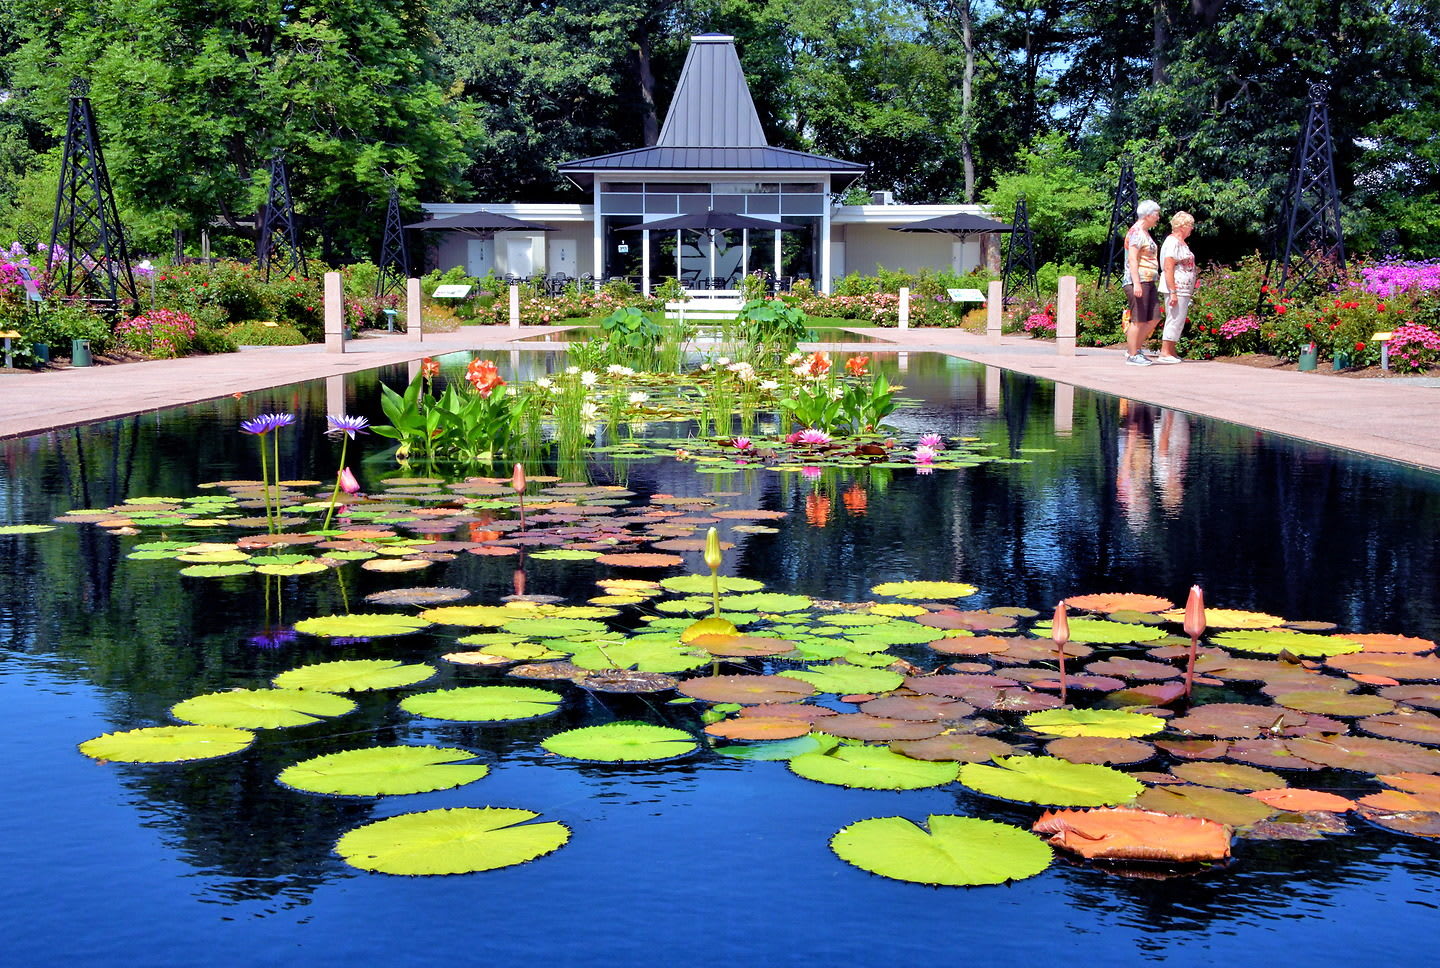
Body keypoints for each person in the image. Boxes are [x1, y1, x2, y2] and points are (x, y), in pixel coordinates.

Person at [1123, 200, 1162, 366]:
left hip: (1149, 280)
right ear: (1147, 215)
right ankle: (1132, 355)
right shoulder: (1136, 232)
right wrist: (1136, 283)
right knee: (1138, 320)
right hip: (1138, 281)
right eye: (1156, 214)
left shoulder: (1145, 232)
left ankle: (1135, 349)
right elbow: (1132, 259)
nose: (1158, 218)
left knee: (1154, 318)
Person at [1156, 211, 1197, 363]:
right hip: (1176, 287)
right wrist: (1173, 291)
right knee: (1174, 318)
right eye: (1190, 225)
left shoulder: (1181, 242)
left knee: (1178, 319)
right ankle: (1165, 352)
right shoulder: (1172, 242)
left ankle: (1171, 351)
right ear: (1182, 226)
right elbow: (1168, 267)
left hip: (1183, 288)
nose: (1192, 228)